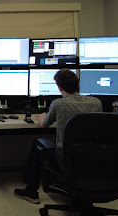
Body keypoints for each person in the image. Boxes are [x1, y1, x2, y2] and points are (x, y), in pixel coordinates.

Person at [14, 68, 103, 204]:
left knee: (38, 143)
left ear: (59, 87)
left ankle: (31, 192)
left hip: (66, 160)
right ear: (78, 84)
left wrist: (42, 117)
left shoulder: (59, 103)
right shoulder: (96, 102)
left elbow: (44, 125)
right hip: (94, 159)